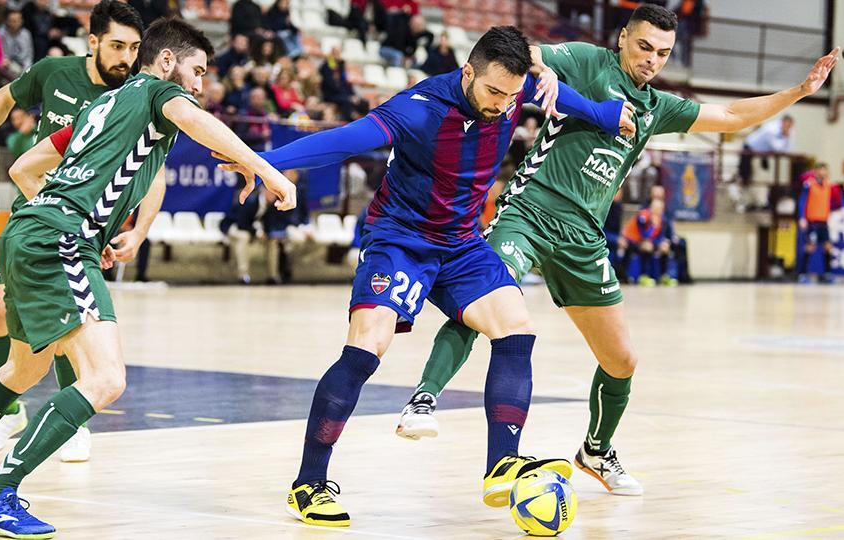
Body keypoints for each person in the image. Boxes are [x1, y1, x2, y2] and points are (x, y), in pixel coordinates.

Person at [394, 4, 837, 499]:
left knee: (621, 359)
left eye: (663, 53)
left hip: (584, 237)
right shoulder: (588, 61)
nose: (652, 59)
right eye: (644, 46)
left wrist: (799, 92)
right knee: (489, 301)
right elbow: (528, 53)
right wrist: (544, 74)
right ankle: (424, 398)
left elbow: (731, 114)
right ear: (624, 38)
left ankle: (596, 451)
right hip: (530, 211)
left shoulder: (658, 106)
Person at [215, 25, 633, 526]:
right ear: (468, 73)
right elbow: (343, 140)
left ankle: (502, 463)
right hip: (401, 241)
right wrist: (260, 162)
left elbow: (565, 99)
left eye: (511, 95)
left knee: (516, 327)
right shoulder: (419, 107)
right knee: (367, 347)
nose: (502, 105)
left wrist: (606, 114)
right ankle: (309, 485)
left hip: (460, 244)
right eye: (493, 92)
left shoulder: (518, 89)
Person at [0, 17, 296, 538]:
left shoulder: (100, 107)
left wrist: (75, 223)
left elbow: (26, 166)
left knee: (21, 372)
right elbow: (195, 118)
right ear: (166, 62)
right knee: (106, 378)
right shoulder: (159, 93)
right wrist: (267, 168)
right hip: (59, 239)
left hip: (30, 231)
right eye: (198, 70)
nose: (202, 85)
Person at [0, 0, 145, 464]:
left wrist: (137, 231)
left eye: (134, 48)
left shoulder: (135, 97)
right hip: (31, 216)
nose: (126, 58)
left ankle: (73, 422)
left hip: (83, 225)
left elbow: (151, 172)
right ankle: (9, 413)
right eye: (117, 46)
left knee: (66, 326)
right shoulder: (53, 72)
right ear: (93, 42)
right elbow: (3, 99)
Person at [796, 163, 834, 283]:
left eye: (825, 170)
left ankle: (827, 274)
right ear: (816, 171)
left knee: (827, 247)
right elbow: (802, 201)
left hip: (824, 221)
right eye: (821, 170)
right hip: (812, 221)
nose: (823, 173)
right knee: (810, 247)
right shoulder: (809, 184)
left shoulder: (829, 185)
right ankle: (802, 274)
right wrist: (802, 217)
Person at [0, 10, 33, 74]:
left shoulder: (26, 34)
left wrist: (27, 69)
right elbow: (1, 53)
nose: (15, 23)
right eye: (12, 21)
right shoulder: (1, 34)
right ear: (7, 21)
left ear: (21, 21)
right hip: (8, 63)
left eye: (17, 21)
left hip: (23, 64)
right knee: (14, 70)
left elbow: (29, 55)